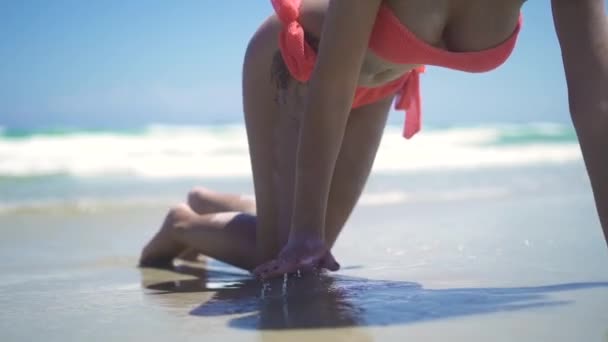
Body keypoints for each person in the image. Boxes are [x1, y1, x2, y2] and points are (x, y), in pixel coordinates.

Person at [140, 0, 608, 279]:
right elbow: (333, 81)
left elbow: (595, 102)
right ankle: (180, 223)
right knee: (281, 253)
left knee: (297, 238)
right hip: (302, 63)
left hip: (384, 81)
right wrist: (304, 233)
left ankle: (233, 203)